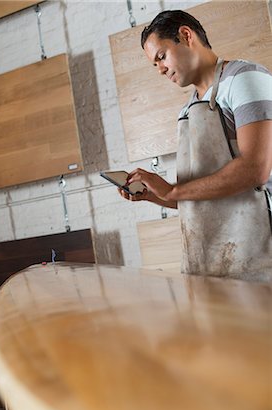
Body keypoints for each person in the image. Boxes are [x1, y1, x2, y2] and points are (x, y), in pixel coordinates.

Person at [119, 10, 272, 283]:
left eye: (161, 57)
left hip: (263, 244)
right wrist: (157, 195)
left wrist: (173, 191)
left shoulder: (244, 78)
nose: (161, 70)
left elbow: (255, 169)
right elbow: (203, 198)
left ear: (186, 35)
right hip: (222, 253)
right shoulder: (187, 111)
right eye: (155, 65)